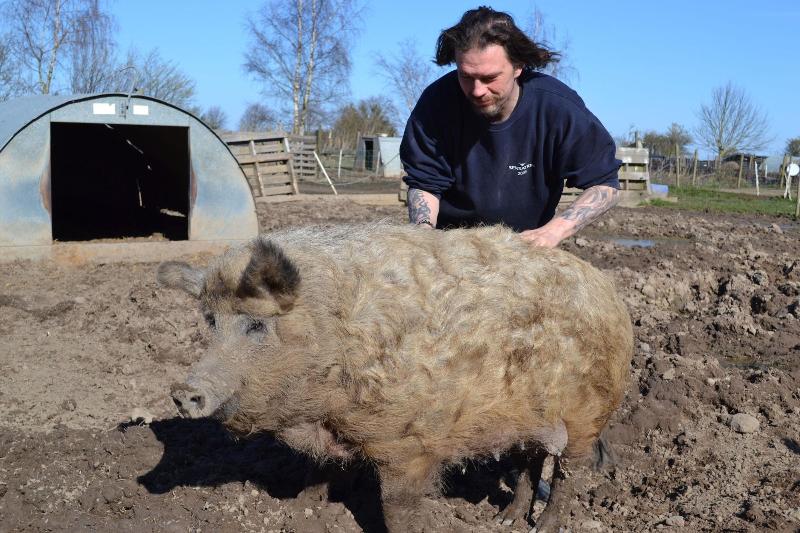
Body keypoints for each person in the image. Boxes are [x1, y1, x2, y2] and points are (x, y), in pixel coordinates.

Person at [400, 6, 621, 248]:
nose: (477, 90)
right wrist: (423, 238)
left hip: (525, 248)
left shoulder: (557, 109)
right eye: (466, 76)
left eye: (489, 78)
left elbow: (604, 184)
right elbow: (425, 183)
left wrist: (553, 231)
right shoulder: (437, 104)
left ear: (518, 66)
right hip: (451, 247)